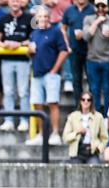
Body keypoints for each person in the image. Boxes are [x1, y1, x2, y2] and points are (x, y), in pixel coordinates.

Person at [25, 6, 69, 146]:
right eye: (40, 16)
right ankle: (41, 134)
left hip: (50, 74)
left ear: (49, 17)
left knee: (52, 103)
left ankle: (55, 133)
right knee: (37, 104)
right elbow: (30, 53)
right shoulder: (34, 33)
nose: (43, 19)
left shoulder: (56, 31)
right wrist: (29, 51)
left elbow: (64, 51)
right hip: (37, 73)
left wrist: (54, 70)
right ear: (36, 19)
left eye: (45, 16)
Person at [0, 0, 33, 133]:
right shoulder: (3, 18)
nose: (15, 3)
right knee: (8, 91)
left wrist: (20, 44)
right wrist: (4, 45)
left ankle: (24, 120)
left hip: (23, 60)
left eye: (18, 1)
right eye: (12, 1)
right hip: (6, 60)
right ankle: (8, 120)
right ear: (8, 3)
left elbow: (34, 38)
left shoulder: (29, 18)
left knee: (23, 92)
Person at [83, 0, 109, 118]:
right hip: (92, 59)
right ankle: (95, 117)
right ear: (94, 7)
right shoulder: (88, 19)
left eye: (103, 6)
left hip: (107, 60)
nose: (100, 8)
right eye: (98, 6)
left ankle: (106, 117)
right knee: (94, 90)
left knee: (107, 91)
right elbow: (86, 37)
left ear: (107, 7)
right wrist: (97, 22)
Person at [62, 0, 95, 107]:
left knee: (92, 82)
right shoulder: (69, 10)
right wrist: (67, 45)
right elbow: (63, 28)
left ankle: (92, 109)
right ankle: (78, 109)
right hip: (74, 51)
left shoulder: (93, 9)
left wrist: (85, 33)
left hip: (90, 51)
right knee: (76, 81)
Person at [62, 92, 109, 164]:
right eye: (83, 99)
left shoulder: (98, 117)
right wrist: (77, 132)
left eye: (88, 100)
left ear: (91, 102)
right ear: (80, 101)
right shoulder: (72, 116)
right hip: (77, 152)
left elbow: (105, 138)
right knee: (75, 171)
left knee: (94, 168)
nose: (86, 101)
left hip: (92, 152)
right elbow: (65, 137)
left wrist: (99, 148)